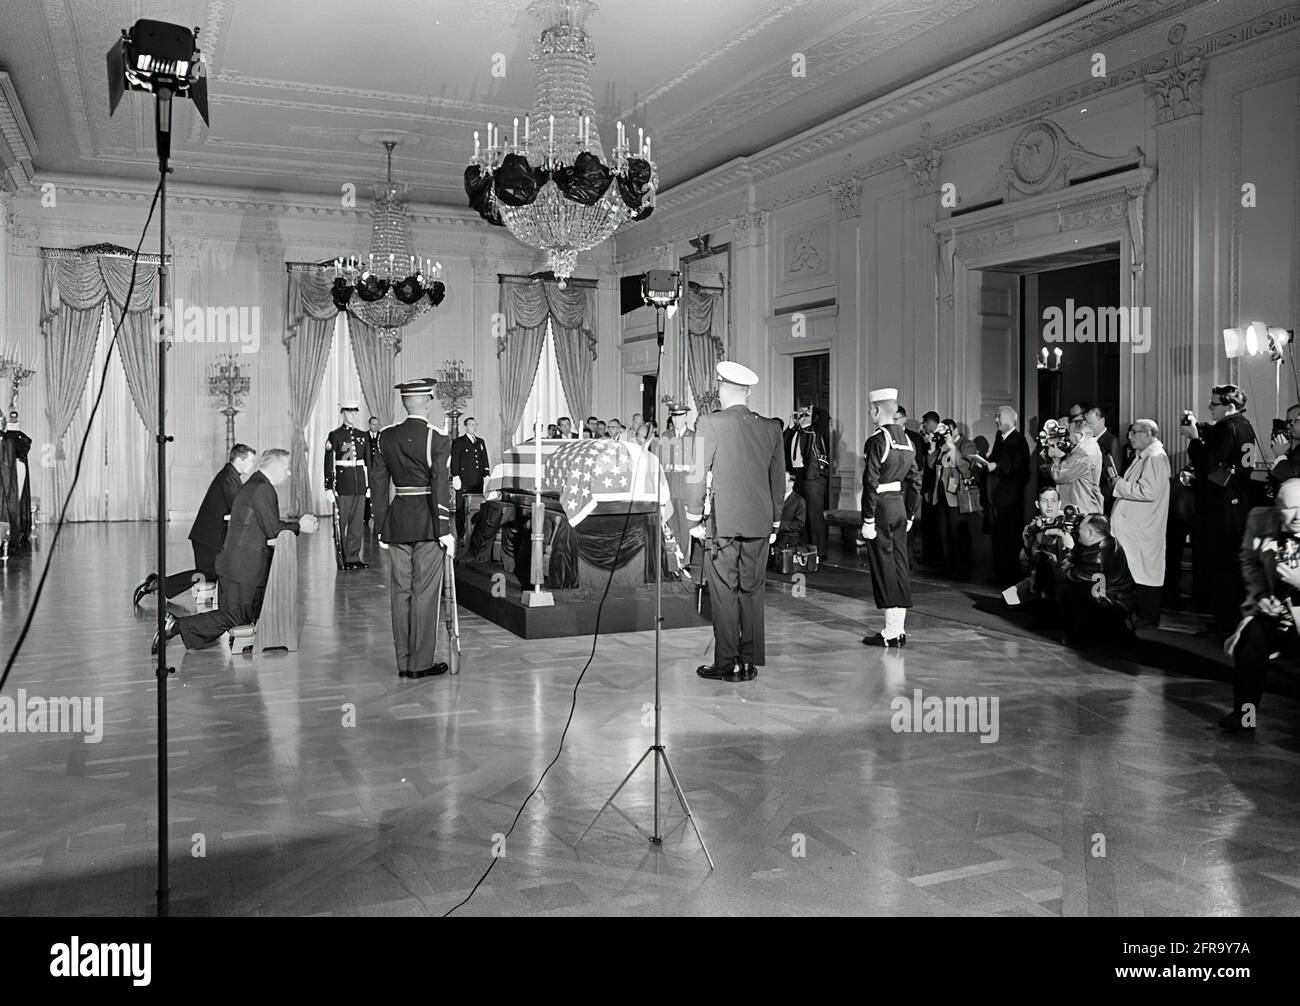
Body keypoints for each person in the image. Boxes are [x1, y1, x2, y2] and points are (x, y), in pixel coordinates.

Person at [156, 449, 317, 652]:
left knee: (238, 614)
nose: (288, 473)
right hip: (242, 567)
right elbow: (273, 530)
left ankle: (230, 638)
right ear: (273, 466)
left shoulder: (257, 484)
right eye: (285, 468)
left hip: (236, 564)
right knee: (234, 616)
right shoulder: (263, 489)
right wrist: (299, 526)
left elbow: (265, 524)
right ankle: (174, 626)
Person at [686, 361, 784, 683]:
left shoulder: (710, 423)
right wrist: (775, 524)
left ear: (721, 388)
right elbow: (777, 481)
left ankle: (727, 663)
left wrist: (692, 517)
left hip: (723, 522)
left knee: (725, 591)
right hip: (759, 523)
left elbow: (698, 473)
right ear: (747, 392)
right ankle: (749, 661)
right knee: (753, 591)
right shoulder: (770, 427)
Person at [371, 378, 457, 679]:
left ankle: (404, 663)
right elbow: (439, 484)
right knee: (425, 593)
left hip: (397, 523)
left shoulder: (384, 437)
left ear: (405, 403)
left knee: (400, 592)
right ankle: (421, 664)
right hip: (429, 522)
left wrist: (381, 527)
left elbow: (379, 486)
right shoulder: (437, 437)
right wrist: (444, 527)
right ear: (427, 402)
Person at [133, 444, 257, 605]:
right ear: (240, 460)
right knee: (208, 573)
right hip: (207, 538)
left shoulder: (231, 476)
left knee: (210, 573)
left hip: (210, 537)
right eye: (251, 460)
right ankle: (156, 585)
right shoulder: (229, 479)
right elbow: (239, 508)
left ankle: (159, 584)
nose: (253, 464)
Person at [1221, 478, 1300, 732]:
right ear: (1277, 508)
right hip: (1278, 610)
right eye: (1290, 508)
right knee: (1251, 638)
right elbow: (1250, 562)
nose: (1298, 516)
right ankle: (1244, 716)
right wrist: (1261, 596)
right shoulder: (1259, 519)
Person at [1182, 384, 1258, 633]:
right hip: (1238, 503)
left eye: (1214, 404)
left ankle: (1225, 622)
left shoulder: (1227, 427)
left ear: (1230, 406)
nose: (1209, 408)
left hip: (1221, 507)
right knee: (1229, 566)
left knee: (1220, 566)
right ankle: (1229, 620)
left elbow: (1209, 464)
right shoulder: (1244, 425)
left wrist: (1194, 439)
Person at [860, 388, 922, 647]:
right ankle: (899, 628)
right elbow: (916, 480)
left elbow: (871, 482)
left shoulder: (877, 440)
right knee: (899, 565)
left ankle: (890, 632)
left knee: (884, 566)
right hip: (899, 506)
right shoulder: (908, 441)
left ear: (876, 410)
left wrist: (867, 520)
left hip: (882, 509)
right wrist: (910, 513)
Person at [1110, 419, 1170, 626]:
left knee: (1146, 573)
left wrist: (1119, 484)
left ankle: (1147, 617)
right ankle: (1139, 615)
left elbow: (1149, 491)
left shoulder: (1154, 457)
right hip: (1135, 529)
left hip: (1143, 529)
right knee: (1138, 571)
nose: (1130, 437)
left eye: (1134, 432)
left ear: (1149, 434)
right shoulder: (1143, 456)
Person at [1050, 513, 1137, 646]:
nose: (1077, 530)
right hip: (1120, 598)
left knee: (1067, 591)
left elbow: (1067, 574)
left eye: (1080, 528)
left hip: (1113, 605)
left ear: (1090, 532)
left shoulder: (1097, 558)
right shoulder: (1110, 542)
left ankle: (1081, 637)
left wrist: (1068, 549)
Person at [971, 405, 1029, 586]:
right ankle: (999, 573)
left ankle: (1008, 576)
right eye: (996, 416)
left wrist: (997, 467)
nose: (996, 420)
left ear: (1012, 418)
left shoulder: (1018, 440)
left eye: (999, 416)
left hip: (1008, 500)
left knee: (1009, 539)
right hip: (995, 498)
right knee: (997, 539)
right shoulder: (1000, 438)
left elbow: (1019, 470)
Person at [325, 401, 371, 569]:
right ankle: (341, 558)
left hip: (359, 484)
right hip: (343, 485)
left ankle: (353, 557)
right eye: (349, 411)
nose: (353, 415)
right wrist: (328, 486)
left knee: (357, 523)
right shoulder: (335, 435)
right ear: (343, 413)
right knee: (341, 522)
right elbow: (329, 462)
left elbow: (368, 462)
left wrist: (369, 485)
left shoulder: (362, 435)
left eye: (355, 412)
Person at [783, 403, 830, 559]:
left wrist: (813, 409)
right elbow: (783, 443)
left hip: (813, 476)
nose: (802, 416)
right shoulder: (796, 431)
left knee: (814, 514)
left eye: (806, 414)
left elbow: (823, 417)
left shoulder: (816, 430)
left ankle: (819, 550)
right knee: (799, 512)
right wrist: (790, 425)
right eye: (800, 414)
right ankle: (803, 548)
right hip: (798, 475)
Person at [938, 436, 981, 581]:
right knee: (947, 536)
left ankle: (963, 570)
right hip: (944, 497)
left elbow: (965, 467)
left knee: (960, 536)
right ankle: (950, 567)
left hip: (959, 497)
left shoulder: (967, 444)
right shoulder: (943, 445)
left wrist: (953, 447)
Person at [657, 402, 696, 555]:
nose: (676, 419)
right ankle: (673, 564)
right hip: (669, 491)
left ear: (686, 417)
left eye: (680, 416)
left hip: (686, 493)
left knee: (686, 531)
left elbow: (698, 470)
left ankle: (684, 564)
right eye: (673, 416)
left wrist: (695, 496)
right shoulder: (665, 436)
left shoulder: (694, 437)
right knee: (670, 530)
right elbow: (660, 465)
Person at [1048, 414, 1104, 515]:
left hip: (1080, 508)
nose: (1068, 438)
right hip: (1083, 505)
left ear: (1078, 433)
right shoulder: (1089, 446)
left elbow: (1059, 475)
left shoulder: (1083, 451)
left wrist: (1055, 458)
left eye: (1069, 433)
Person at [450, 416, 490, 540]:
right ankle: (461, 535)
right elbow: (455, 461)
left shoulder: (480, 441)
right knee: (461, 510)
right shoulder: (459, 442)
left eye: (475, 424)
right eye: (471, 425)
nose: (474, 427)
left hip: (477, 481)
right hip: (464, 481)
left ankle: (475, 533)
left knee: (477, 508)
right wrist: (455, 476)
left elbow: (484, 459)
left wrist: (487, 474)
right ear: (466, 427)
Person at [0, 411, 33, 549]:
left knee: (11, 503)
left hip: (9, 477)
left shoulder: (11, 440)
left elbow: (25, 446)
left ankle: (10, 533)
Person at [1085, 404, 1123, 511]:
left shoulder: (1111, 441)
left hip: (1104, 494)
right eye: (1087, 424)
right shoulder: (1086, 440)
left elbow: (1115, 470)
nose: (1089, 427)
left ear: (1102, 421)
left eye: (1091, 423)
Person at [775, 472, 806, 549]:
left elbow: (799, 524)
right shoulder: (774, 497)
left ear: (791, 483)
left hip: (788, 536)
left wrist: (779, 525)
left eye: (782, 481)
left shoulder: (799, 500)